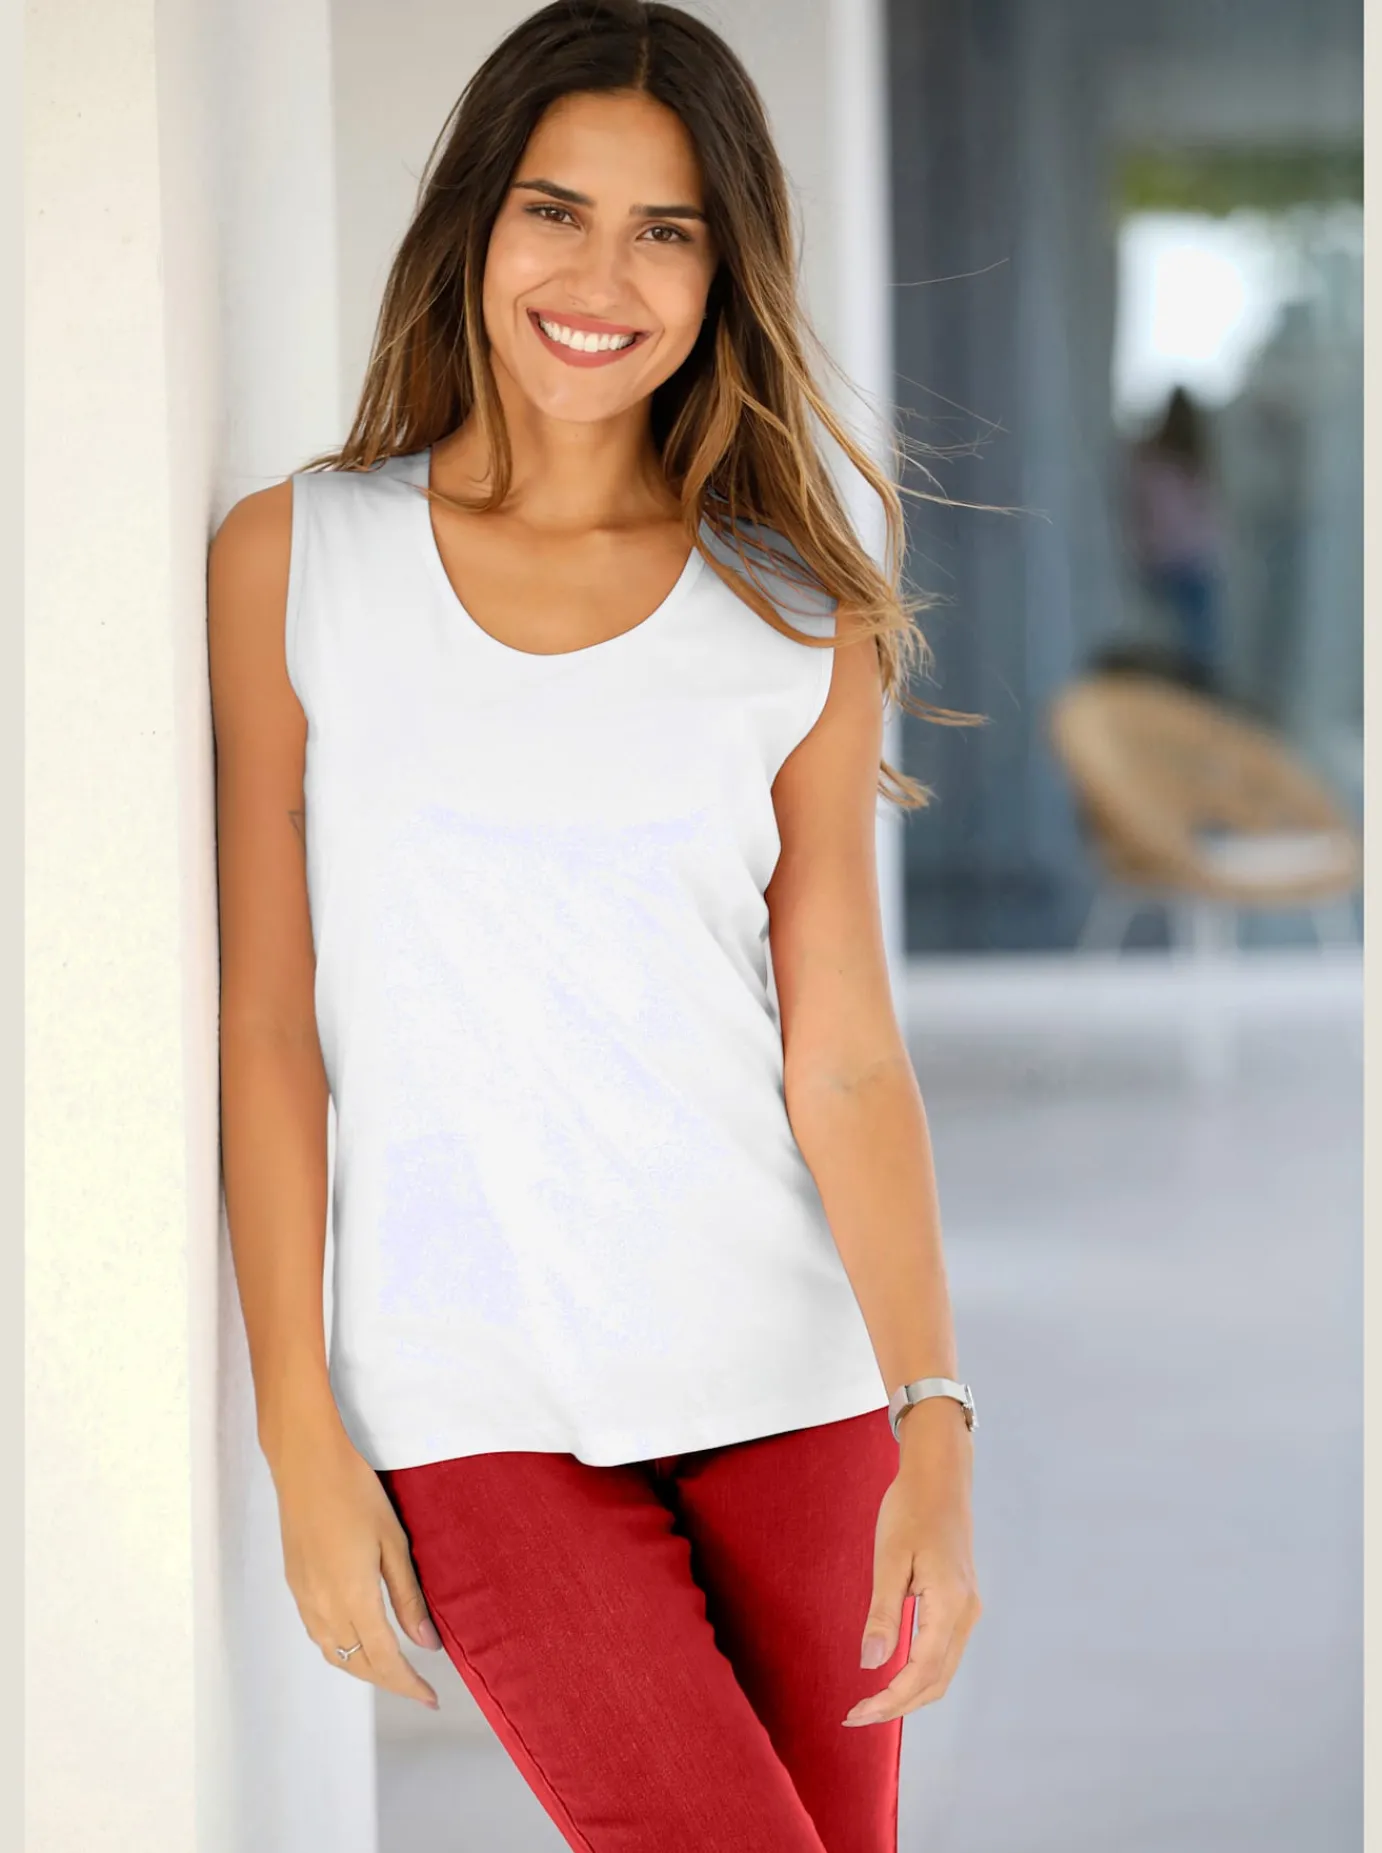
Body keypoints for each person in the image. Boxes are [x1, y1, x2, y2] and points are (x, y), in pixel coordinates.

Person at [207, 4, 980, 1847]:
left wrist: (933, 1417)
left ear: (723, 273)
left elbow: (843, 1050)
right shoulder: (297, 561)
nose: (599, 278)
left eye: (665, 230)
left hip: (792, 1387)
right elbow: (267, 1025)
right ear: (476, 221)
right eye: (555, 210)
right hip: (473, 1406)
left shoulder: (793, 613)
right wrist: (298, 1431)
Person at [1124, 384, 1226, 693]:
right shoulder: (1188, 462)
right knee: (1197, 645)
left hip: (1162, 560)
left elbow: (1141, 514)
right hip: (1189, 560)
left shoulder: (1152, 461)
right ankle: (1191, 697)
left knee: (1175, 642)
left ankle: (1176, 696)